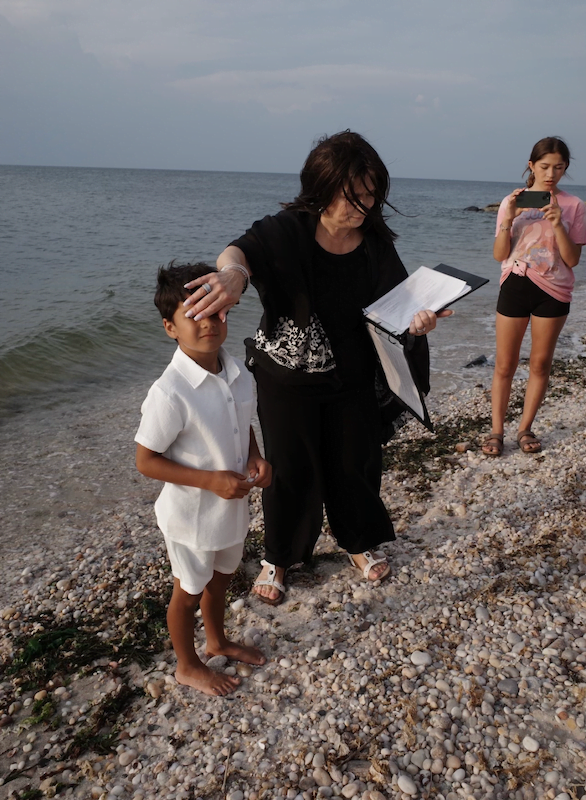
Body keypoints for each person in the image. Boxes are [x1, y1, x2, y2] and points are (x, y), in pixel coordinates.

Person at [182, 131, 450, 605]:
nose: (364, 207)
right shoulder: (287, 229)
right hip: (287, 376)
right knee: (289, 467)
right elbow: (239, 252)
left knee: (356, 461)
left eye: (371, 196)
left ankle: (358, 542)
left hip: (352, 374)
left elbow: (398, 305)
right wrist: (233, 276)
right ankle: (280, 556)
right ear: (322, 190)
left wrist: (420, 320)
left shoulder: (375, 242)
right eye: (354, 197)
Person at [135, 262, 271, 695]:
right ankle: (187, 664)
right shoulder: (170, 391)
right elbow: (146, 460)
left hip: (231, 508)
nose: (209, 323)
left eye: (217, 312)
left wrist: (255, 457)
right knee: (188, 591)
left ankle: (217, 639)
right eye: (194, 315)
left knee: (222, 579)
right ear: (169, 327)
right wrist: (210, 481)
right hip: (191, 517)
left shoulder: (238, 373)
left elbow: (241, 422)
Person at [482, 137, 586, 457]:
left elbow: (572, 260)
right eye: (544, 166)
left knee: (540, 363)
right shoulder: (510, 201)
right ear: (531, 166)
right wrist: (509, 218)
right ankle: (496, 431)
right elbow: (499, 253)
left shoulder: (574, 206)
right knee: (505, 364)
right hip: (514, 284)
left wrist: (557, 223)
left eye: (558, 167)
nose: (551, 173)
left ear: (565, 168)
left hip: (553, 293)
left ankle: (525, 427)